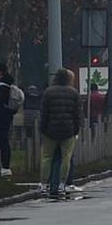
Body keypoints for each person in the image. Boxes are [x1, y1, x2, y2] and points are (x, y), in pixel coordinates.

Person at [37, 68, 82, 199]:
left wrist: (43, 128)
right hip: (68, 130)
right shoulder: (73, 93)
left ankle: (44, 184)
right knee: (65, 158)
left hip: (50, 129)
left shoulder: (48, 92)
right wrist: (76, 129)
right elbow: (77, 114)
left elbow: (44, 113)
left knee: (46, 157)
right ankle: (62, 184)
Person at [0, 62, 20, 177]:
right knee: (2, 140)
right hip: (6, 116)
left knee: (2, 141)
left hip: (2, 117)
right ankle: (3, 166)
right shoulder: (6, 84)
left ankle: (5, 167)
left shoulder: (1, 87)